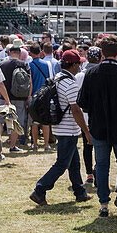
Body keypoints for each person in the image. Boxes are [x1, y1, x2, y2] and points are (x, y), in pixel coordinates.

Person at [77, 34, 117, 219]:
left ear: (102, 53)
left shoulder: (91, 74)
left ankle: (104, 204)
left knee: (102, 165)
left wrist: (95, 109)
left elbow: (83, 102)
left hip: (98, 127)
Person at [29, 50, 92, 205]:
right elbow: (76, 110)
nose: (80, 66)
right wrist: (86, 131)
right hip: (68, 128)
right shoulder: (71, 83)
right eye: (79, 63)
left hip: (60, 127)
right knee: (62, 163)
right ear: (74, 65)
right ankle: (40, 190)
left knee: (74, 163)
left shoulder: (58, 78)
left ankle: (80, 192)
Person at [0, 41, 31, 153]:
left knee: (1, 121)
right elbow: (29, 82)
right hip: (20, 97)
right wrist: (28, 96)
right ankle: (12, 146)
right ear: (19, 53)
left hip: (4, 97)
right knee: (16, 122)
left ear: (9, 52)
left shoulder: (2, 64)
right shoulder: (24, 64)